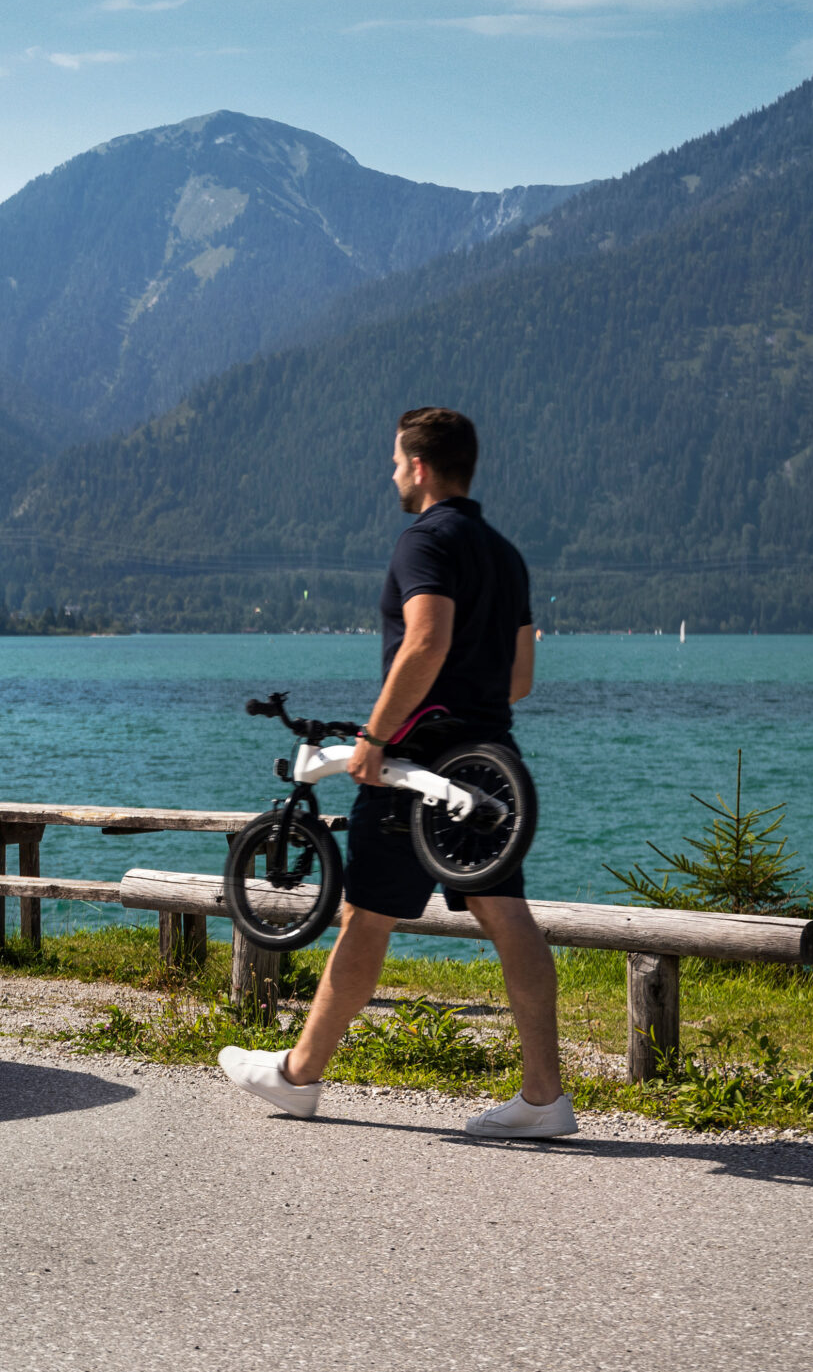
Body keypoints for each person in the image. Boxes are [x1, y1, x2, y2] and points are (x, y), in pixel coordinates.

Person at [220, 407, 575, 1138]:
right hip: (489, 763)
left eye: (394, 463)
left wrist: (377, 737)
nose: (391, 476)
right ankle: (544, 1097)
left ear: (419, 466)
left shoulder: (425, 539)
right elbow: (520, 679)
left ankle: (298, 1075)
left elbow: (426, 640)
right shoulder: (505, 554)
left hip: (417, 760)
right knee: (509, 917)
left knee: (367, 915)